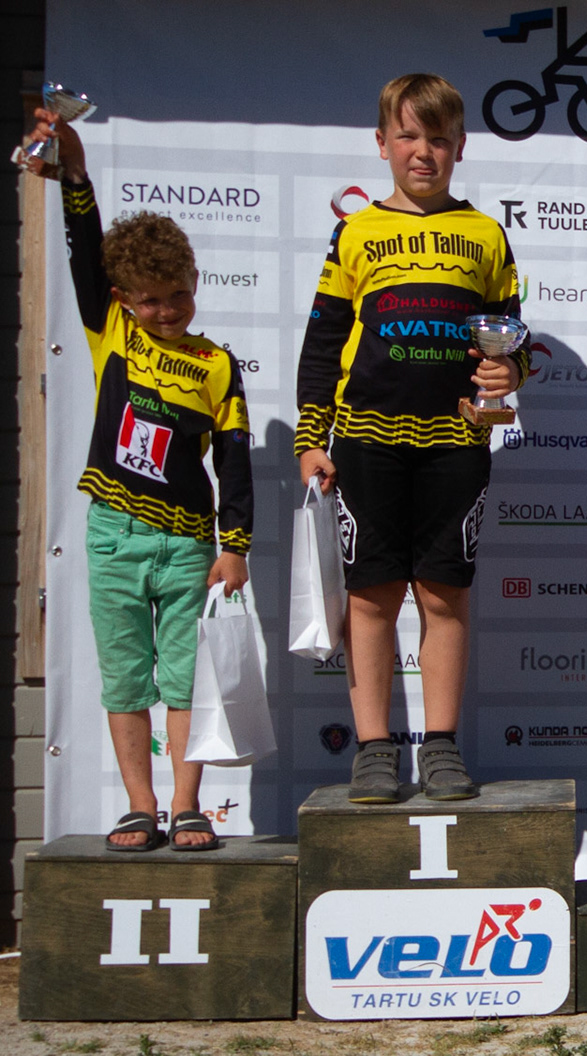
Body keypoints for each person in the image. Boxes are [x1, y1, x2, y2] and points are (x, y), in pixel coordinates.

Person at [25, 106, 252, 851]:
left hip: (188, 542)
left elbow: (233, 460)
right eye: (150, 299)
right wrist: (76, 174)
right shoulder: (112, 331)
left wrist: (235, 543)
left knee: (184, 679)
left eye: (177, 293)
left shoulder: (217, 364)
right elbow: (83, 245)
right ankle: (139, 806)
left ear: (195, 281)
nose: (166, 310)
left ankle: (187, 806)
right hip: (114, 534)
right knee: (126, 677)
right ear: (123, 300)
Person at [295, 74, 526, 804]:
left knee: (444, 595)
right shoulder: (356, 232)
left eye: (438, 139)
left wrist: (508, 371)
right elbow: (323, 343)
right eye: (408, 137)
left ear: (460, 147)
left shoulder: (485, 234)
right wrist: (310, 438)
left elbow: (511, 338)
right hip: (366, 438)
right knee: (370, 597)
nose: (423, 152)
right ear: (382, 144)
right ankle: (373, 748)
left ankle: (442, 746)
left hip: (456, 440)